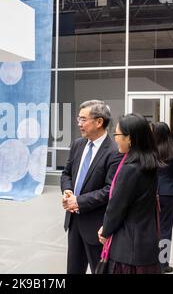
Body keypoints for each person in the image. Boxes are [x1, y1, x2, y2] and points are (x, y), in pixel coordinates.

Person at [61, 100, 122, 274]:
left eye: (83, 119)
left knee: (100, 270)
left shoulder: (114, 151)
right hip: (74, 222)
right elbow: (66, 174)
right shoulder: (78, 145)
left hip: (97, 227)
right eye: (78, 119)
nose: (79, 123)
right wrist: (67, 191)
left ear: (99, 122)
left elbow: (110, 189)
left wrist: (78, 201)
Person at [98, 113, 162, 274]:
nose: (115, 139)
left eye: (117, 135)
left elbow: (117, 207)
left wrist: (105, 230)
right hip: (146, 241)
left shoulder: (130, 168)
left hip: (127, 249)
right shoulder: (149, 163)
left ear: (130, 138)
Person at [151, 122, 173, 273]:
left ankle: (150, 263)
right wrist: (169, 188)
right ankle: (163, 264)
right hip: (168, 194)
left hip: (151, 193)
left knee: (151, 227)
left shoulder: (150, 151)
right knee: (165, 229)